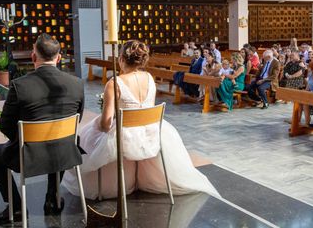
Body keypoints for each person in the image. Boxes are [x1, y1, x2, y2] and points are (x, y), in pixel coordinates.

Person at [63, 40, 218, 199]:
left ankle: (110, 182)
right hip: (150, 134)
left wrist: (98, 125)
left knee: (89, 134)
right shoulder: (150, 78)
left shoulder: (114, 83)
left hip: (124, 139)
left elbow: (105, 124)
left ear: (121, 59)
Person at [0, 34, 85, 225]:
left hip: (28, 157)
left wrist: (24, 142)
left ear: (33, 57)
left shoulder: (20, 85)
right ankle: (53, 198)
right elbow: (77, 115)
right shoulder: (77, 83)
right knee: (60, 140)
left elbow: (5, 124)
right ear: (59, 57)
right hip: (66, 152)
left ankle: (16, 207)